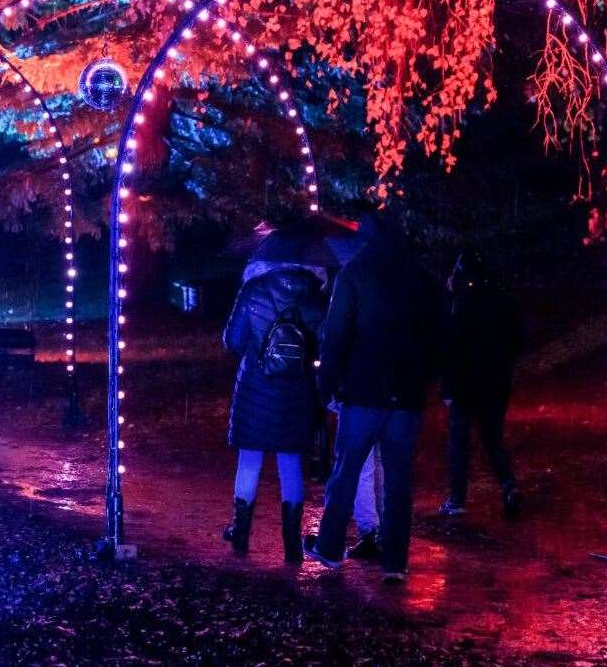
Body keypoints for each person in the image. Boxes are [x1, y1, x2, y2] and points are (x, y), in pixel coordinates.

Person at [305, 210, 446, 582]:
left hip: (364, 391)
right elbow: (440, 336)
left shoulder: (354, 276)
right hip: (407, 395)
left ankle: (331, 547)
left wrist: (326, 385)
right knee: (398, 479)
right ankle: (395, 562)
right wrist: (427, 377)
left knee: (346, 470)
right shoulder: (422, 278)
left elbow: (336, 337)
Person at [221, 262, 327, 562]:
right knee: (291, 465)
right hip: (296, 393)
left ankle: (240, 535)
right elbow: (324, 346)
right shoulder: (315, 297)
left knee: (250, 461)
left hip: (255, 390)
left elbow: (233, 341)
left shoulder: (254, 289)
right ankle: (292, 545)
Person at [440, 253, 525, 518]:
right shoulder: (503, 302)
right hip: (495, 382)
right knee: (492, 438)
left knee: (459, 442)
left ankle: (457, 499)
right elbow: (517, 341)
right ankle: (508, 484)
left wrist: (448, 388)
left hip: (466, 384)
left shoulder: (460, 306)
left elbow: (452, 348)